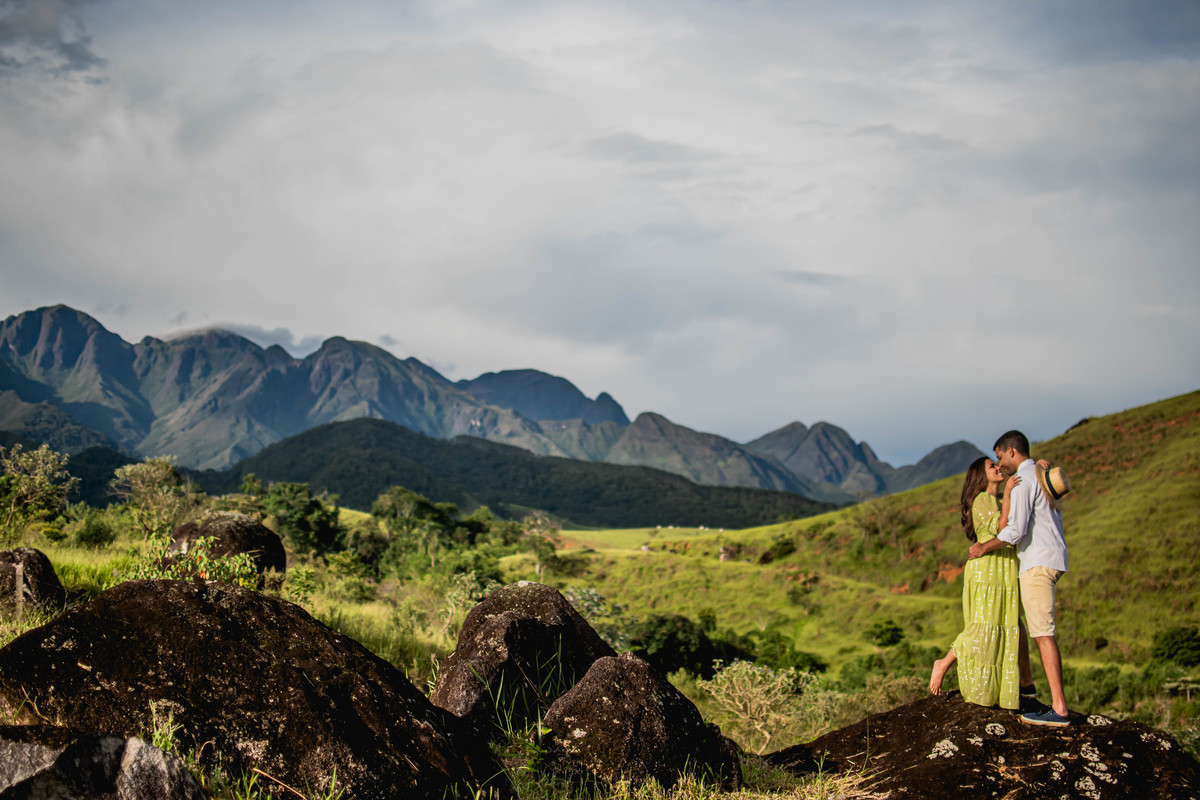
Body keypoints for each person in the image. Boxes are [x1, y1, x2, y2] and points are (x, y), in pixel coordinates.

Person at [969, 430, 1070, 727]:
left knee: (1043, 635)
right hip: (1052, 557)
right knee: (1037, 630)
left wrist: (983, 547)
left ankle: (1060, 708)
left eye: (1000, 457)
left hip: (1037, 562)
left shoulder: (1025, 479)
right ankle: (1030, 688)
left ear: (1011, 451)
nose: (1000, 464)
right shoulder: (1038, 473)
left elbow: (1016, 530)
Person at [929, 456, 1035, 708]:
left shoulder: (992, 500)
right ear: (980, 476)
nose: (998, 467)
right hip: (988, 569)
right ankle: (943, 663)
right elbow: (1002, 528)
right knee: (984, 626)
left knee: (1006, 622)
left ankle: (1017, 685)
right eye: (991, 466)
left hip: (1000, 566)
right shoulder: (982, 499)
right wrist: (1007, 493)